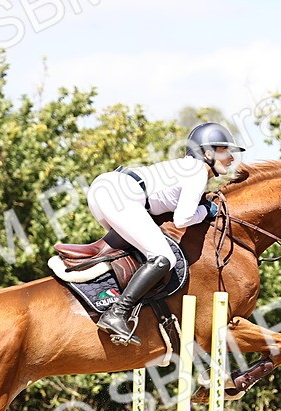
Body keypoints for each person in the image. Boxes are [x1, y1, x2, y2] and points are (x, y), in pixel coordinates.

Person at [87, 122, 245, 345]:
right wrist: (206, 210)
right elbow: (182, 219)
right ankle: (117, 313)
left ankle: (108, 297)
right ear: (208, 153)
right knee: (164, 258)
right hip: (120, 195)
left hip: (106, 190)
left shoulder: (186, 167)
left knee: (135, 252)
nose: (231, 158)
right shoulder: (198, 172)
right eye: (225, 151)